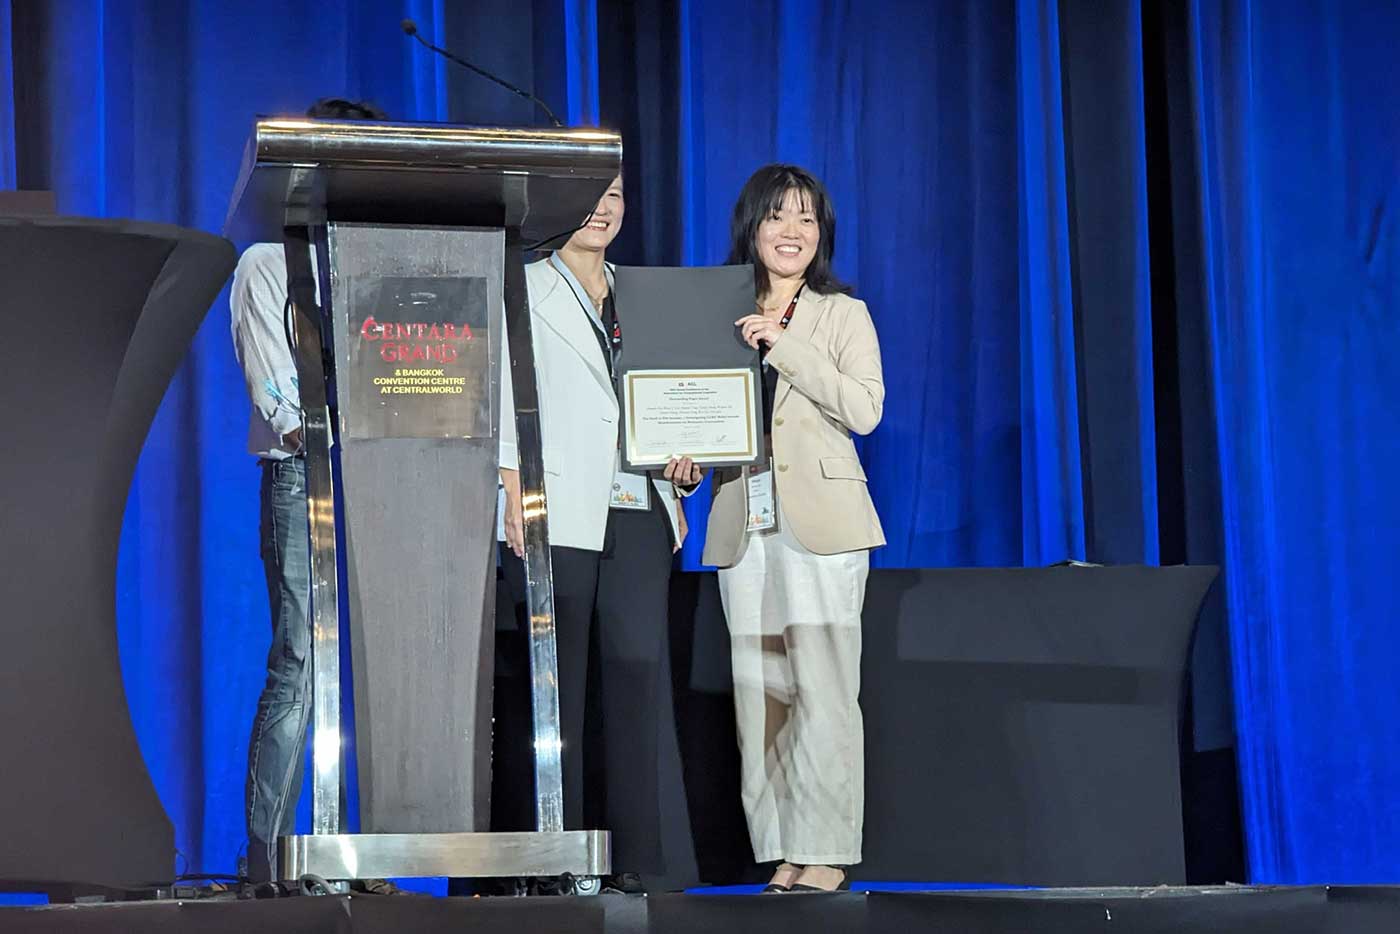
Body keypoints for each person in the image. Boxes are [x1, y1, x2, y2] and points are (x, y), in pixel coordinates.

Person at [670, 164, 884, 893]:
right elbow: (699, 413)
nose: (791, 232)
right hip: (743, 521)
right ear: (751, 228)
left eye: (806, 219)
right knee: (761, 695)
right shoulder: (718, 312)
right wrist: (687, 462)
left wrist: (781, 344)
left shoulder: (841, 314)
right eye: (777, 217)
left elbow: (864, 409)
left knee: (824, 690)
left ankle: (827, 851)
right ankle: (786, 849)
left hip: (821, 523)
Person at [497, 175, 698, 892]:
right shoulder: (521, 285)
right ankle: (559, 858)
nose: (606, 205)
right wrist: (508, 485)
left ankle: (636, 860)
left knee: (637, 680)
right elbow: (494, 388)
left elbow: (676, 396)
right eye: (592, 191)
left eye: (617, 192)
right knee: (561, 690)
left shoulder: (644, 295)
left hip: (640, 505)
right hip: (558, 505)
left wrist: (685, 464)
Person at [230, 97, 391, 886]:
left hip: (397, 482)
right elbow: (279, 396)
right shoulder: (268, 263)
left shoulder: (391, 267)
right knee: (301, 658)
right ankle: (270, 856)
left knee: (390, 665)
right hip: (305, 477)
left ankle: (369, 850)